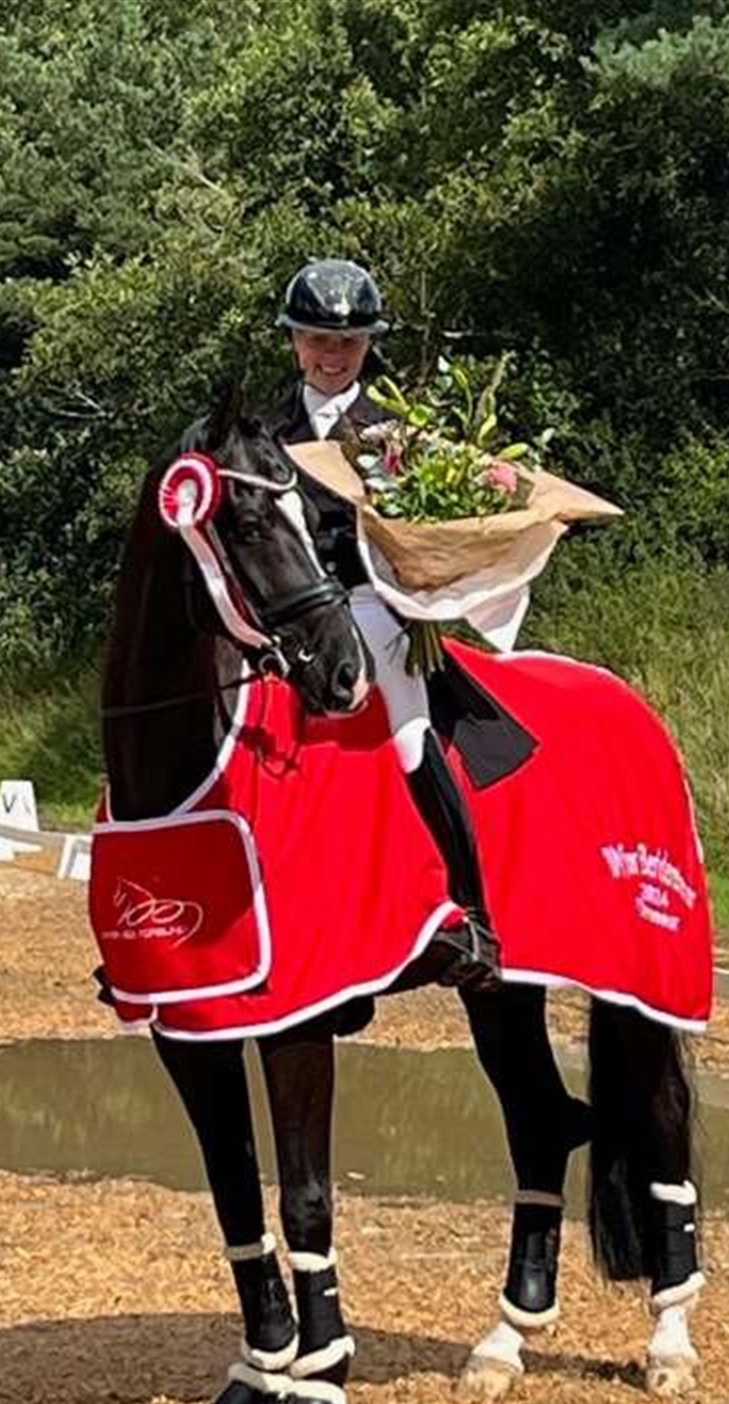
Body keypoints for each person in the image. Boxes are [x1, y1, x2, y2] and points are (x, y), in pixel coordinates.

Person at [264, 258, 501, 991]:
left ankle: (472, 913)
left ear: (368, 345)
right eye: (317, 340)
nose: (332, 356)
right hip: (279, 614)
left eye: (348, 342)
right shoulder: (264, 430)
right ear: (294, 341)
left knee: (408, 730)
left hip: (367, 605)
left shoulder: (396, 434)